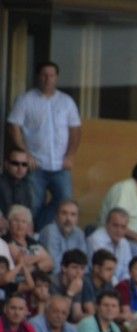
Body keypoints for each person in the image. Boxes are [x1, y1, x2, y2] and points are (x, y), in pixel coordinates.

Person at [6, 61, 81, 228]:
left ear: (57, 78)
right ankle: (32, 238)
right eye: (44, 75)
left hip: (61, 165)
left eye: (52, 75)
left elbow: (75, 130)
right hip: (36, 165)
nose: (48, 79)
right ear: (38, 77)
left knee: (65, 204)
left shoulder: (66, 102)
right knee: (33, 205)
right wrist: (25, 153)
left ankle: (41, 231)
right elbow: (13, 126)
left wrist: (71, 155)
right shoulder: (25, 100)